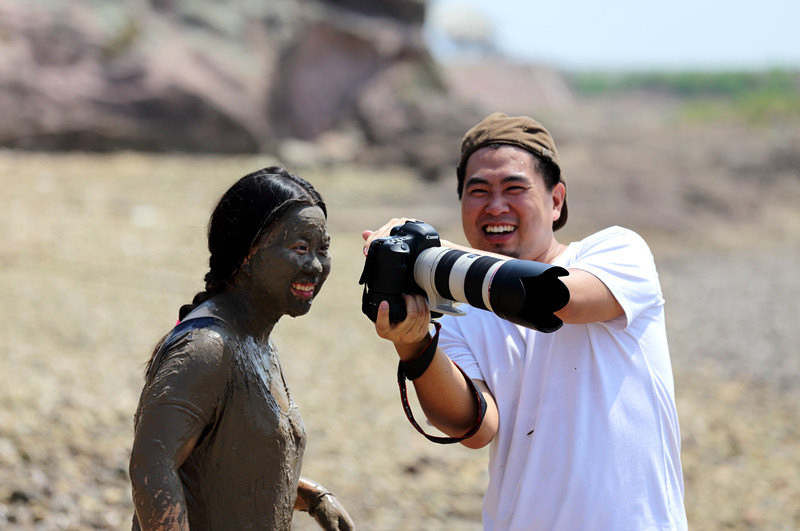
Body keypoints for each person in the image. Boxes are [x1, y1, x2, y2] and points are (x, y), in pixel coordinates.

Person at [362, 113, 687, 529]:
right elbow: (475, 426)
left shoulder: (616, 251)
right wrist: (413, 344)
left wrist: (430, 252)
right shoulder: (459, 308)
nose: (495, 206)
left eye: (514, 188)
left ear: (556, 201)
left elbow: (557, 300)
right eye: (477, 191)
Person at [130, 167, 354, 530]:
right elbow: (151, 466)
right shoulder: (206, 348)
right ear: (247, 253)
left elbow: (228, 466)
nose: (315, 265)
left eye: (322, 249)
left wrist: (312, 496)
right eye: (300, 248)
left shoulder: (254, 340)